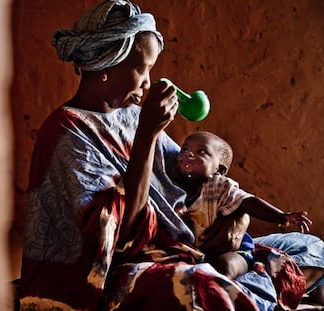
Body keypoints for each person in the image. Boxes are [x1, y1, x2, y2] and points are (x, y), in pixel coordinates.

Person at [19, 1, 323, 310]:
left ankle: (244, 283)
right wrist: (147, 135)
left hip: (189, 248)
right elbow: (122, 238)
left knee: (308, 246)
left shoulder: (134, 114)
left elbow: (198, 184)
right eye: (144, 69)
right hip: (124, 268)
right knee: (195, 288)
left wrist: (238, 216)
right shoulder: (65, 133)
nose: (149, 82)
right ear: (107, 67)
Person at [172, 131, 312, 280]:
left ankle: (217, 288)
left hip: (234, 251)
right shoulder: (174, 186)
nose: (188, 154)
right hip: (195, 251)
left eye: (201, 152)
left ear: (218, 170)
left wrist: (280, 216)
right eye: (184, 149)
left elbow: (248, 202)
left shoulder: (218, 186)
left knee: (225, 265)